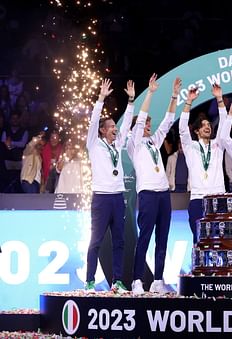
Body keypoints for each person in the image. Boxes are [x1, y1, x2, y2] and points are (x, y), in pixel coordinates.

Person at [128, 74, 177, 295]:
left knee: (163, 239)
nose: (148, 125)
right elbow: (140, 120)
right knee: (145, 237)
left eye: (148, 124)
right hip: (147, 194)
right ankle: (137, 280)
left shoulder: (153, 142)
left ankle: (157, 280)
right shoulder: (134, 143)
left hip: (163, 194)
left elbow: (168, 121)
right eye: (145, 123)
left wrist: (174, 96)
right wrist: (150, 93)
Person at [85, 78, 135, 293]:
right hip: (101, 197)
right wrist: (101, 99)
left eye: (116, 126)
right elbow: (94, 121)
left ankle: (117, 281)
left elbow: (127, 122)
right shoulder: (94, 144)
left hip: (117, 198)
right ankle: (89, 281)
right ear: (103, 130)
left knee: (119, 242)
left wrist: (131, 101)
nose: (116, 128)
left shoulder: (118, 144)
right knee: (95, 241)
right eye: (112, 126)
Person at [179, 83, 227, 244]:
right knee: (199, 240)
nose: (207, 127)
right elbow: (182, 129)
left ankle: (218, 269)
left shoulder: (218, 145)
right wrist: (188, 102)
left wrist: (219, 99)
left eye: (209, 125)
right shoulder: (190, 147)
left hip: (218, 198)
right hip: (198, 199)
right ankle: (200, 270)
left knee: (219, 240)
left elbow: (225, 125)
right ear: (197, 131)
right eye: (203, 125)